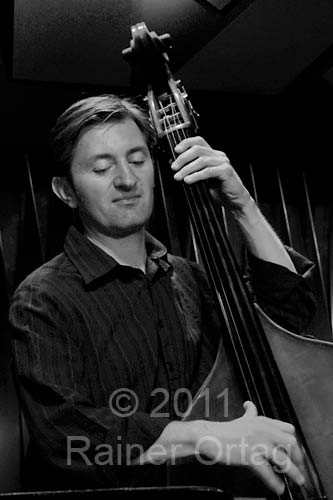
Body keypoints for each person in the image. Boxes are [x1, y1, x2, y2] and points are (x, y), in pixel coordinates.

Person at [9, 94, 315, 495]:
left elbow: (289, 315)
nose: (126, 179)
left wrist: (240, 204)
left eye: (138, 160)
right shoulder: (41, 298)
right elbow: (66, 438)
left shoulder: (194, 279)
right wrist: (203, 435)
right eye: (102, 167)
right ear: (66, 191)